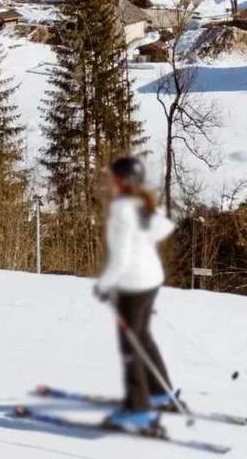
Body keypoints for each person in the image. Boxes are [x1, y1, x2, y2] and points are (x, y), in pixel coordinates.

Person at [94, 155, 175, 433]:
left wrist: (104, 285)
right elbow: (164, 227)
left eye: (114, 177)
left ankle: (139, 411)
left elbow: (121, 258)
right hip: (151, 280)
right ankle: (161, 394)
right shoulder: (144, 205)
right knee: (143, 338)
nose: (111, 181)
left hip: (133, 285)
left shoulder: (123, 210)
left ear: (123, 180)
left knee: (131, 347)